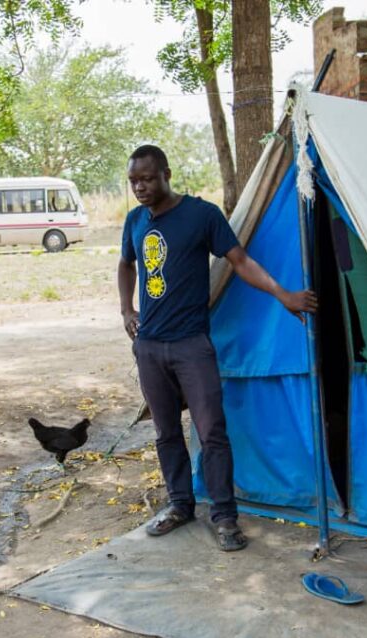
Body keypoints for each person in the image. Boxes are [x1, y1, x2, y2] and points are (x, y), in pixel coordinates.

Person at [118, 145, 318, 552]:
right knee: (166, 431)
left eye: (148, 178)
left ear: (166, 174)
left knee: (212, 432)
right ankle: (179, 505)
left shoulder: (201, 215)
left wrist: (283, 295)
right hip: (150, 347)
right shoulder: (135, 221)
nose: (140, 187)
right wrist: (126, 309)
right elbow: (126, 264)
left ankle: (225, 516)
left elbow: (240, 261)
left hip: (192, 346)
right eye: (134, 181)